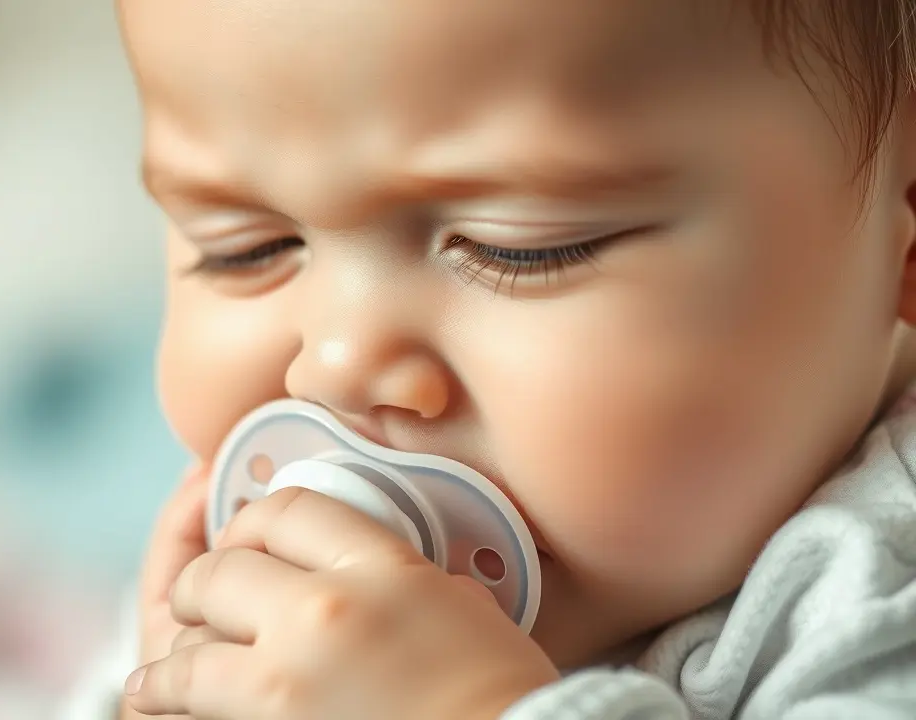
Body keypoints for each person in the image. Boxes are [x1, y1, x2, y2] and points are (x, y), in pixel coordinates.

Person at [64, 1, 916, 717]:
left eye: (520, 249)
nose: (332, 365)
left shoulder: (875, 609)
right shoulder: (227, 572)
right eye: (243, 248)